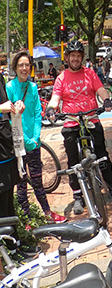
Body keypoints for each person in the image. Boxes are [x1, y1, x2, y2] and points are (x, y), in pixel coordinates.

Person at [46, 40, 112, 215]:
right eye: (72, 56)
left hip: (91, 118)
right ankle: (78, 197)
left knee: (102, 155)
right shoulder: (61, 78)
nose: (75, 59)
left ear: (82, 58)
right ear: (67, 58)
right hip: (71, 122)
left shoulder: (90, 73)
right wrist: (51, 108)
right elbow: (55, 97)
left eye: (78, 56)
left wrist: (105, 100)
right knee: (72, 160)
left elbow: (101, 90)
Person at [7, 52, 66, 224]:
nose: (24, 68)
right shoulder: (10, 88)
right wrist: (26, 139)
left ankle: (47, 213)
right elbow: (10, 119)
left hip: (34, 143)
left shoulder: (32, 88)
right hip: (18, 143)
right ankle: (26, 221)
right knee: (22, 184)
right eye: (21, 65)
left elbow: (36, 114)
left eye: (27, 65)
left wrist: (35, 137)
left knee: (38, 180)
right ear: (15, 68)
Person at [0, 71, 39, 259]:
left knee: (8, 205)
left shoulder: (0, 77)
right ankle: (8, 255)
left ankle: (15, 247)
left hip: (7, 149)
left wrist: (16, 107)